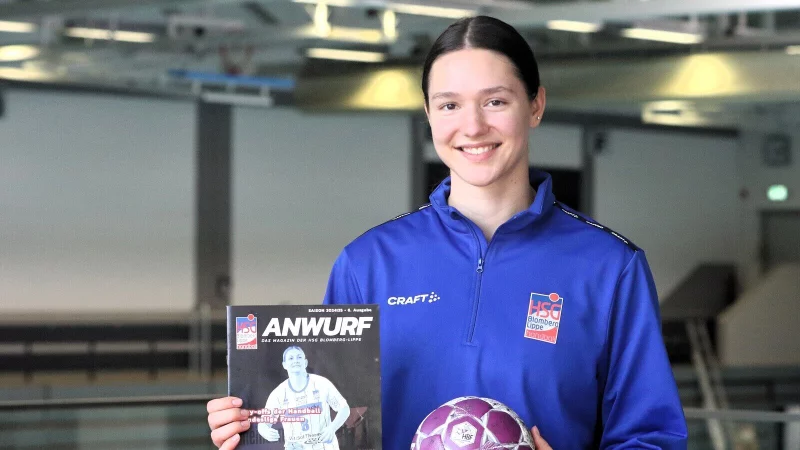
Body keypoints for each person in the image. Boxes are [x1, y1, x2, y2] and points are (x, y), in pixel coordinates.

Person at [208, 15, 688, 449]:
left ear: (535, 105)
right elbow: (337, 431)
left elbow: (652, 437)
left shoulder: (610, 267)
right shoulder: (368, 263)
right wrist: (252, 430)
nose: (472, 126)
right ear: (429, 114)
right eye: (450, 104)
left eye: (496, 101)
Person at [256, 346, 350, 449]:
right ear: (284, 365)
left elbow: (344, 408)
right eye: (291, 358)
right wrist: (265, 431)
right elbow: (263, 424)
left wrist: (332, 428)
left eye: (299, 357)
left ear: (305, 362)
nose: (295, 361)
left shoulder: (322, 383)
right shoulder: (278, 393)